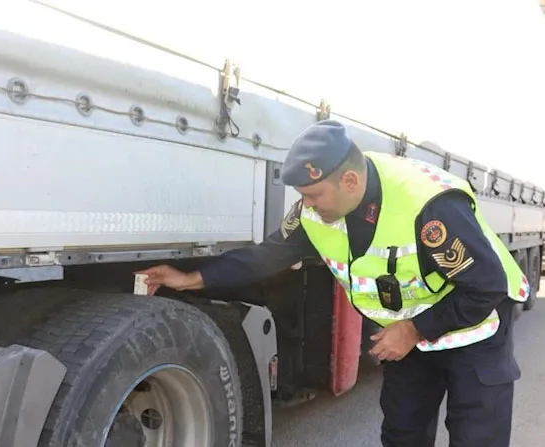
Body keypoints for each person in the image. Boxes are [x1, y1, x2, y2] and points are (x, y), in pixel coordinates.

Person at [136, 120, 529, 447]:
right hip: (409, 337)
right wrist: (191, 278)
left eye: (312, 195)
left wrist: (413, 330)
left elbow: (486, 286)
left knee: (477, 439)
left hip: (474, 332)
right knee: (402, 435)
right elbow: (265, 257)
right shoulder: (315, 213)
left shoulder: (428, 207)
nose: (306, 205)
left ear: (351, 182)